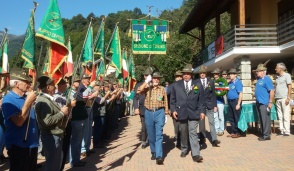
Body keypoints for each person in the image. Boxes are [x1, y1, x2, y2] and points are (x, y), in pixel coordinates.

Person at [2, 68, 38, 171]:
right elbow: (18, 122)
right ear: (17, 84)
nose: (29, 84)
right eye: (26, 82)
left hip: (31, 144)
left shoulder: (25, 97)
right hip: (18, 145)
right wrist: (28, 102)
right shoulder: (8, 99)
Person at [170, 64, 205, 162]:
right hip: (181, 112)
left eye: (188, 74)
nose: (185, 75)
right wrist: (173, 110)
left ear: (191, 75)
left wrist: (202, 111)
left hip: (194, 112)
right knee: (183, 132)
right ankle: (184, 149)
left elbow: (201, 100)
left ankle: (196, 154)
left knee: (193, 132)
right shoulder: (176, 85)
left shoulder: (197, 84)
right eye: (184, 74)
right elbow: (172, 100)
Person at [34, 76, 69, 171]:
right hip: (51, 135)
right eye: (53, 85)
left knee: (56, 162)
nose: (55, 87)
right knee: (52, 164)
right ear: (48, 87)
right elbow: (47, 121)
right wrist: (62, 113)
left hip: (55, 134)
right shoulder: (43, 101)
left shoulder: (48, 99)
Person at [137, 71, 169, 165]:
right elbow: (139, 91)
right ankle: (153, 151)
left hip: (159, 112)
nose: (156, 80)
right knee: (151, 134)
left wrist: (166, 113)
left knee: (159, 134)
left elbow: (165, 101)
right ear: (152, 79)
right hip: (149, 112)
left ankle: (159, 156)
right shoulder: (148, 88)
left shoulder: (162, 89)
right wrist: (146, 81)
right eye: (154, 78)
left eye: (158, 78)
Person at [69, 75, 97, 167]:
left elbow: (84, 96)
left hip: (81, 117)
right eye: (77, 81)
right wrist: (90, 87)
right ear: (72, 82)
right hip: (76, 118)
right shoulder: (71, 92)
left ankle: (76, 160)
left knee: (78, 140)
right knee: (75, 141)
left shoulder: (76, 91)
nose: (79, 82)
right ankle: (73, 161)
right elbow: (84, 96)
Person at [52, 78, 76, 171]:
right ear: (60, 86)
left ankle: (60, 167)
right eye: (65, 85)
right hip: (62, 124)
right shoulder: (56, 97)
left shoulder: (63, 95)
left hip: (67, 122)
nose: (66, 87)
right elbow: (60, 110)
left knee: (65, 147)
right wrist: (70, 105)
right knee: (61, 149)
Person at [197, 66, 221, 147]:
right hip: (200, 106)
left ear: (205, 73)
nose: (202, 74)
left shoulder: (211, 81)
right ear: (199, 74)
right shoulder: (196, 82)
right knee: (201, 124)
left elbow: (213, 94)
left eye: (203, 73)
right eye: (201, 73)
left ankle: (214, 140)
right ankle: (202, 139)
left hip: (210, 104)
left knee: (212, 122)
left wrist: (215, 105)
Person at [254, 64, 275, 141]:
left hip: (264, 102)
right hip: (259, 102)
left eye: (258, 71)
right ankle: (263, 133)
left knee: (265, 119)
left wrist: (270, 102)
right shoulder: (259, 79)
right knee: (261, 119)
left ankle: (266, 135)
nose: (257, 73)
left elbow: (272, 91)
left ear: (263, 72)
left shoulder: (267, 79)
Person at [133, 68, 152, 149]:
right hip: (143, 108)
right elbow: (135, 97)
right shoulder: (139, 84)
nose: (148, 77)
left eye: (149, 75)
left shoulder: (155, 84)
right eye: (146, 75)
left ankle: (150, 139)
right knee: (144, 126)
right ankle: (144, 140)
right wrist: (136, 108)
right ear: (144, 76)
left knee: (151, 125)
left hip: (152, 108)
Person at [275, 63, 292, 136]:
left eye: (276, 68)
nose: (275, 69)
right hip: (277, 98)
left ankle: (287, 131)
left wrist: (288, 97)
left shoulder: (287, 75)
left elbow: (290, 86)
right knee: (280, 115)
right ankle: (281, 130)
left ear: (280, 69)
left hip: (284, 98)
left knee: (286, 114)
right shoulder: (277, 77)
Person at [166, 70, 183, 148]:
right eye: (177, 76)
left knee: (184, 126)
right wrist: (169, 108)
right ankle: (178, 140)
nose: (178, 78)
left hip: (184, 109)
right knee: (176, 126)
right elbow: (166, 95)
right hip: (174, 109)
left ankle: (183, 140)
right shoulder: (171, 86)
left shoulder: (184, 85)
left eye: (180, 76)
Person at [227, 68, 244, 138]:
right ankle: (233, 131)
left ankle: (238, 132)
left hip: (235, 101)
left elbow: (240, 93)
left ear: (235, 75)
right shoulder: (230, 83)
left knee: (236, 117)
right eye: (230, 74)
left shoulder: (238, 82)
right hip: (230, 101)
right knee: (231, 117)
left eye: (231, 74)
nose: (230, 75)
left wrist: (238, 104)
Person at [211, 68, 226, 136]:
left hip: (220, 101)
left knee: (221, 116)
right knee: (215, 116)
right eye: (214, 74)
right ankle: (216, 129)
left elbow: (223, 90)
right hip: (214, 102)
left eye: (216, 74)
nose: (215, 75)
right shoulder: (212, 81)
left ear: (218, 74)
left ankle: (221, 129)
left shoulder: (222, 81)